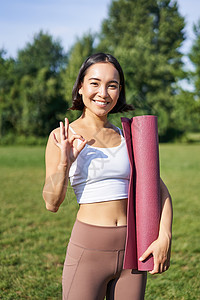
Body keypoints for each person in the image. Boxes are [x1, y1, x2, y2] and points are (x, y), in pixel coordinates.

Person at [42, 53, 173, 300]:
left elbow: (160, 189)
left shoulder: (129, 136)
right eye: (94, 83)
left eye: (112, 85)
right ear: (80, 87)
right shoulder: (61, 137)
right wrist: (63, 163)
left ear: (119, 91)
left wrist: (164, 236)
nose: (103, 92)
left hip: (133, 249)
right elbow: (51, 204)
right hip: (88, 248)